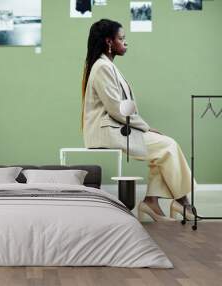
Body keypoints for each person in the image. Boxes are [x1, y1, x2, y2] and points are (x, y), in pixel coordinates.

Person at [81, 19, 196, 221]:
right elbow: (117, 108)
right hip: (108, 132)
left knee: (162, 151)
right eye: (121, 38)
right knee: (168, 145)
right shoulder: (102, 67)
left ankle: (151, 202)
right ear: (109, 42)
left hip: (115, 129)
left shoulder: (105, 65)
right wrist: (146, 127)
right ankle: (182, 201)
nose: (126, 43)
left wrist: (143, 129)